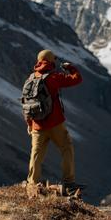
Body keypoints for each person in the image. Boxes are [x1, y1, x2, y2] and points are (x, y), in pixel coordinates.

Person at [24, 49, 83, 189]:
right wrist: (70, 68)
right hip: (56, 124)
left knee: (36, 154)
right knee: (66, 148)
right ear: (50, 61)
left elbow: (26, 105)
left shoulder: (30, 79)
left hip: (37, 125)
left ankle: (32, 184)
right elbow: (77, 79)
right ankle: (69, 182)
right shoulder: (54, 77)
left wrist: (30, 124)